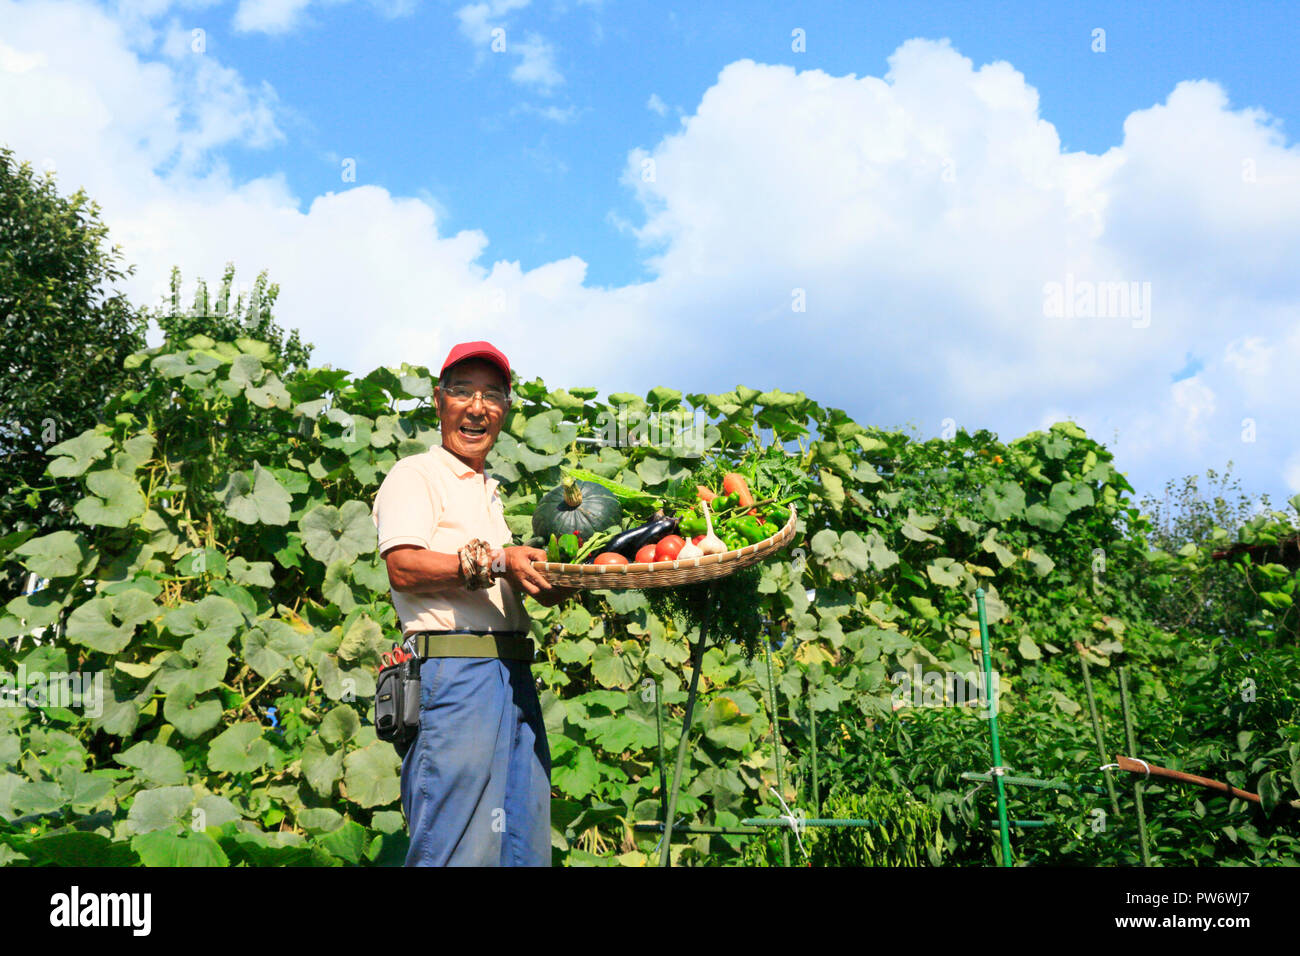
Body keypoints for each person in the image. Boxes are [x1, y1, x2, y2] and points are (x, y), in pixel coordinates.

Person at [372, 340, 576, 866]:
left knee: (522, 847)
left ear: (505, 412)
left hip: (512, 677)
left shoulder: (488, 491)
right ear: (439, 402)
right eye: (463, 392)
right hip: (454, 675)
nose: (477, 407)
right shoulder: (417, 475)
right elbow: (405, 566)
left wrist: (544, 580)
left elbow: (499, 573)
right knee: (456, 847)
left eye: (492, 396)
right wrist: (497, 562)